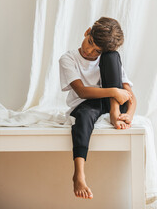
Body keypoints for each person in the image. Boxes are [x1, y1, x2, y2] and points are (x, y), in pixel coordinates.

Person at [59, 17, 137, 200]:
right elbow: (82, 91)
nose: (89, 51)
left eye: (97, 51)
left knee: (112, 57)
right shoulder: (68, 58)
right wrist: (113, 91)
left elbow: (130, 95)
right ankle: (79, 174)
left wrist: (130, 115)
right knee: (84, 116)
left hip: (114, 103)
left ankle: (114, 112)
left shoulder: (107, 56)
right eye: (90, 42)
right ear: (87, 32)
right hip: (86, 103)